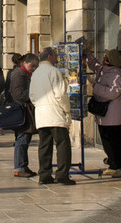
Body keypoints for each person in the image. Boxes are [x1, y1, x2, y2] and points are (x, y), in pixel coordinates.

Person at [30, 47, 74, 185]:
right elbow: (60, 94)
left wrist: (39, 105)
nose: (56, 58)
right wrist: (67, 110)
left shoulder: (35, 73)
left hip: (41, 114)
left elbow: (32, 95)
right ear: (49, 56)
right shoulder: (53, 71)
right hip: (55, 113)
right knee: (62, 144)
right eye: (55, 55)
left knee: (44, 145)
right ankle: (62, 175)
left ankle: (44, 174)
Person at [92, 50, 121, 177]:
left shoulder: (117, 73)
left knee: (114, 140)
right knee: (106, 139)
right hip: (103, 112)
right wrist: (87, 54)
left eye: (105, 58)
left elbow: (113, 93)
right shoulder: (104, 70)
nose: (103, 60)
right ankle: (113, 164)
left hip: (112, 111)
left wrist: (96, 87)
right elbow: (94, 65)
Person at [6, 53, 37, 177]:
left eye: (35, 66)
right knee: (22, 139)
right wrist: (34, 94)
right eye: (32, 65)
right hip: (22, 111)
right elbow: (19, 95)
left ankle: (23, 165)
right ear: (24, 63)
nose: (34, 68)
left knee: (25, 139)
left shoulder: (24, 73)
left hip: (25, 110)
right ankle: (19, 167)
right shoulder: (19, 74)